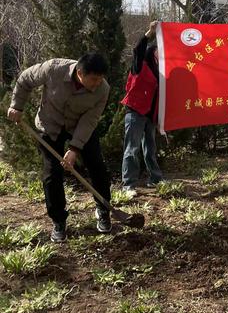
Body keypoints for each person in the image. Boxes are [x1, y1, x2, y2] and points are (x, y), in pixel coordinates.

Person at [7, 53, 112, 243]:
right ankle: (58, 220)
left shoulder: (102, 90)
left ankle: (104, 209)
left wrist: (74, 148)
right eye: (94, 79)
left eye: (100, 79)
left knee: (97, 166)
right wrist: (17, 106)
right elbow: (24, 80)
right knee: (52, 173)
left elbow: (90, 120)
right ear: (80, 73)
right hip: (50, 125)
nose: (97, 84)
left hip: (79, 126)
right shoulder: (53, 69)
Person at [120, 21, 163, 195]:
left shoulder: (162, 69)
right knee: (132, 149)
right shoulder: (140, 64)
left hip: (151, 116)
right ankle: (128, 184)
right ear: (153, 51)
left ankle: (155, 179)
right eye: (159, 51)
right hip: (136, 112)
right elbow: (137, 48)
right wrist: (150, 32)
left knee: (150, 149)